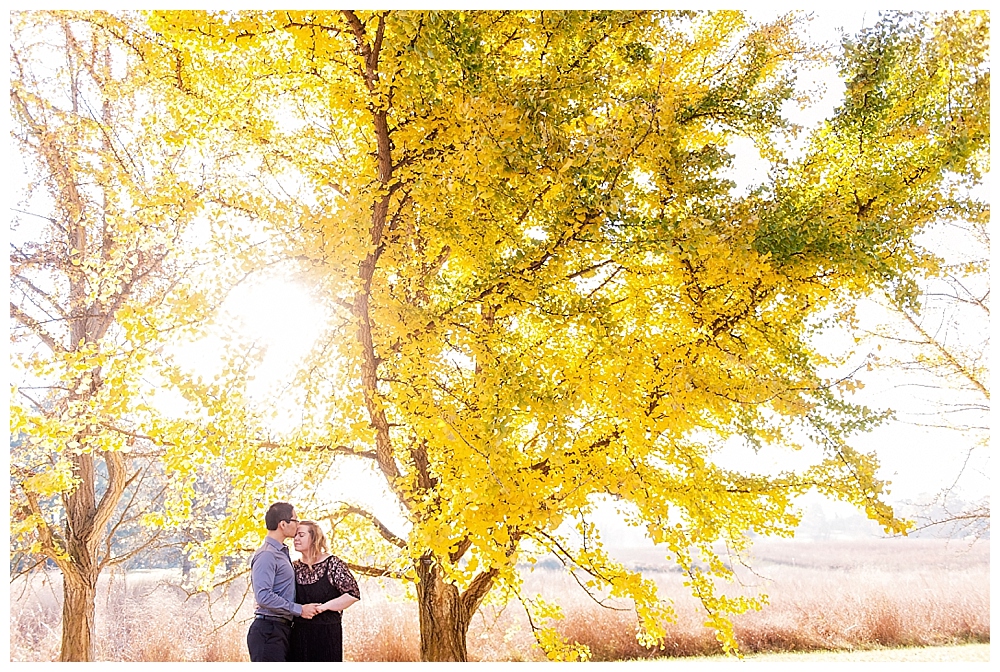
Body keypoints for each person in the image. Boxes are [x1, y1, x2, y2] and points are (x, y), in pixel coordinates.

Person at [247, 502, 321, 661]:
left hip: (281, 629)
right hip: (269, 631)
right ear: (282, 524)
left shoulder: (281, 553)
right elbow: (263, 596)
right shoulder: (267, 555)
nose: (298, 524)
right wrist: (299, 609)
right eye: (295, 520)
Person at [288, 520, 361, 662]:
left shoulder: (332, 563)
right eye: (295, 535)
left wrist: (323, 607)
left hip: (327, 634)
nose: (296, 539)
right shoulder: (293, 567)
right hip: (298, 634)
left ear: (314, 537)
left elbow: (353, 594)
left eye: (301, 535)